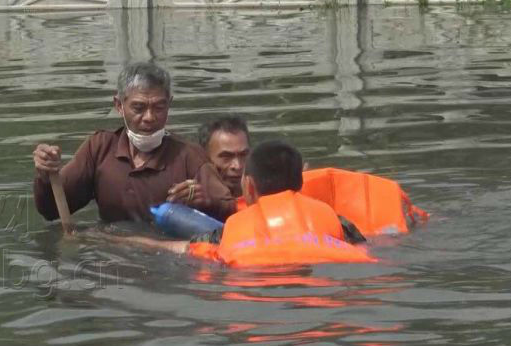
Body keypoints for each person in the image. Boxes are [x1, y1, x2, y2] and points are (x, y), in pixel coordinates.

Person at [113, 141, 373, 266]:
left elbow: (172, 248)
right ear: (301, 184)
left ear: (248, 186)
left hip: (250, 284)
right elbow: (364, 247)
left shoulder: (230, 230)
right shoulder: (333, 218)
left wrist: (114, 241)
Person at [32, 62, 235, 223]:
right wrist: (45, 175)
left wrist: (204, 201)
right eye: (138, 108)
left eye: (159, 107)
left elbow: (232, 212)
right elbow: (51, 211)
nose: (149, 117)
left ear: (169, 104)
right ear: (119, 105)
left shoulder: (188, 155)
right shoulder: (99, 148)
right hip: (112, 257)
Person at [198, 115, 250, 198]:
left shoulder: (269, 194)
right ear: (205, 158)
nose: (238, 166)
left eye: (243, 155)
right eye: (226, 156)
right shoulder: (192, 201)